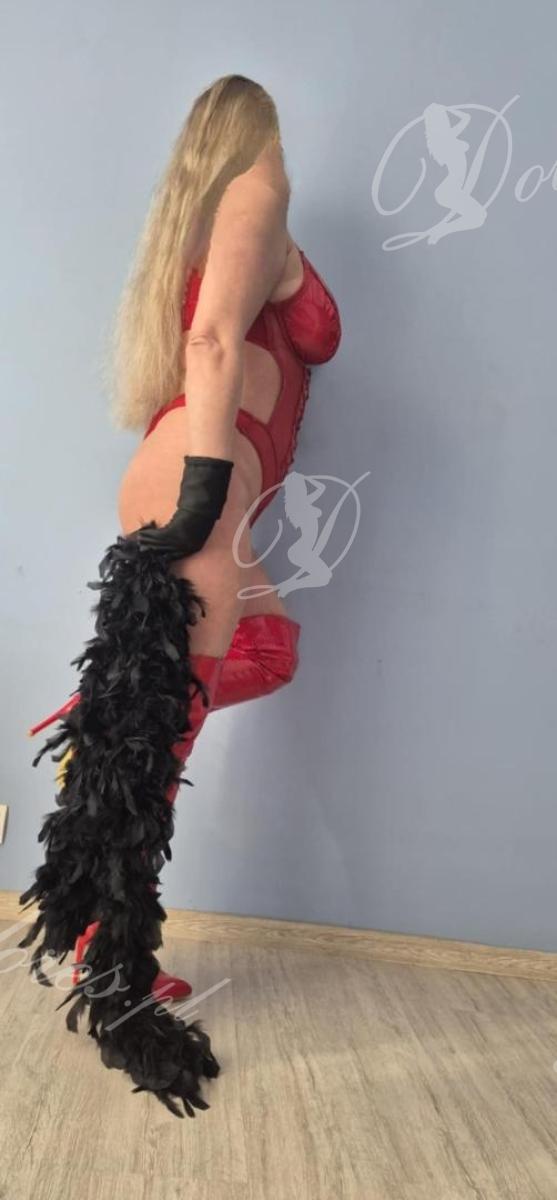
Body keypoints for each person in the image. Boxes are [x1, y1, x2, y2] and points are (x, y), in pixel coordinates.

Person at [20, 73, 342, 1119]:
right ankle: (111, 970)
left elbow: (219, 338)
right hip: (205, 481)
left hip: (204, 482)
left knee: (254, 659)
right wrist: (204, 495)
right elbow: (209, 345)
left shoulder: (204, 217)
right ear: (255, 130)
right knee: (157, 752)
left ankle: (106, 719)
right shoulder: (260, 184)